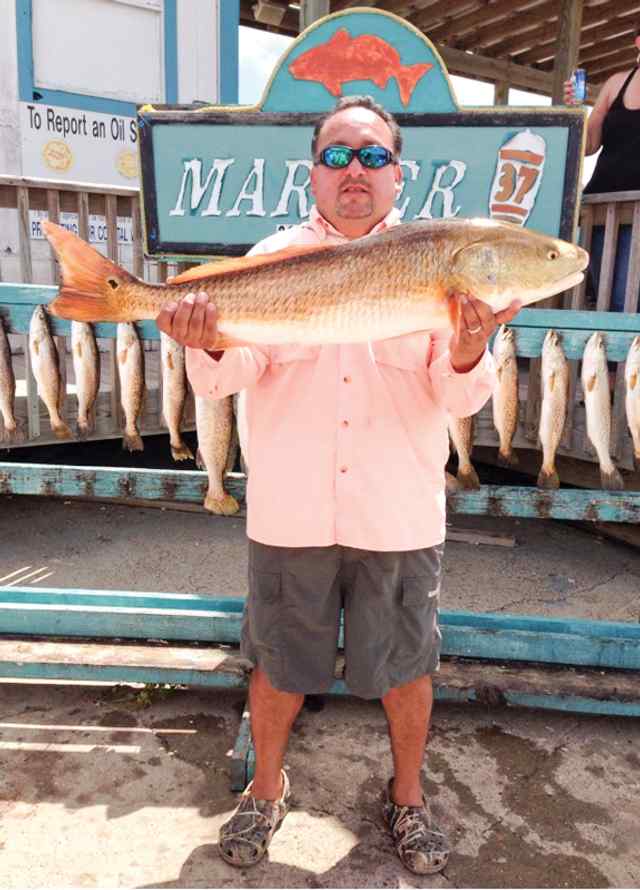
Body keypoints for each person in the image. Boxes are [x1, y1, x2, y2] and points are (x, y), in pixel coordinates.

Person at [156, 95, 520, 876]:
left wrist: (464, 350)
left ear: (399, 175)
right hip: (292, 512)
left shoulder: (443, 261)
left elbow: (459, 400)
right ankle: (263, 788)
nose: (355, 170)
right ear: (312, 172)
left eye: (373, 157)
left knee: (407, 668)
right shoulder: (272, 256)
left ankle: (410, 798)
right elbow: (233, 373)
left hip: (397, 513)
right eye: (337, 156)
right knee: (279, 663)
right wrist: (203, 340)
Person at [564, 31, 640, 309]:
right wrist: (575, 110)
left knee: (624, 299)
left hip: (637, 207)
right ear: (638, 42)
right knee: (604, 297)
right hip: (600, 206)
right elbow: (589, 145)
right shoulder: (616, 84)